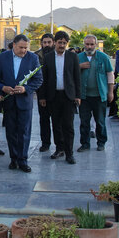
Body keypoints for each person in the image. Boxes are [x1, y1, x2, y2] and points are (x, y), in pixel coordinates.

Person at [0, 34, 43, 172]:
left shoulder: (33, 58)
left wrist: (25, 88)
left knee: (24, 132)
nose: (23, 51)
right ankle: (13, 159)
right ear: (13, 45)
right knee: (11, 132)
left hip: (24, 102)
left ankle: (23, 160)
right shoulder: (2, 58)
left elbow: (38, 79)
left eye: (26, 48)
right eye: (21, 47)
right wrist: (3, 88)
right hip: (9, 101)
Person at [38, 31, 81, 164]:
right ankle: (59, 149)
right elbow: (43, 79)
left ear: (67, 44)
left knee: (68, 126)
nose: (62, 45)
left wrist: (78, 96)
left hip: (68, 96)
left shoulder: (72, 57)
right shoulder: (49, 57)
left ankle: (69, 153)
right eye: (60, 42)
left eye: (64, 43)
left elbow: (77, 78)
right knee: (56, 124)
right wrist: (42, 97)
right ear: (55, 42)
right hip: (53, 96)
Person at [77, 35, 114, 152]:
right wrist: (79, 67)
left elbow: (110, 74)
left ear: (96, 45)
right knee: (84, 122)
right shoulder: (78, 58)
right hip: (84, 96)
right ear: (84, 44)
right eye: (87, 44)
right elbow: (71, 73)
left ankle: (101, 142)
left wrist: (111, 92)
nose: (89, 47)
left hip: (99, 95)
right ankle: (85, 143)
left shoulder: (103, 57)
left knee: (100, 121)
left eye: (92, 44)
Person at [34, 33, 54, 152]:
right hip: (42, 93)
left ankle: (60, 146)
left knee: (58, 121)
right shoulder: (36, 56)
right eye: (44, 42)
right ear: (41, 43)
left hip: (56, 93)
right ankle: (45, 143)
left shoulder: (57, 55)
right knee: (44, 120)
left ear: (53, 42)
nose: (46, 45)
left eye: (49, 42)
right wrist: (40, 95)